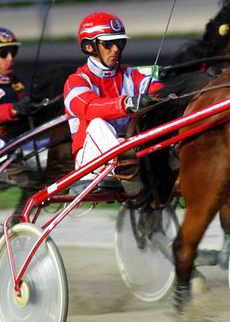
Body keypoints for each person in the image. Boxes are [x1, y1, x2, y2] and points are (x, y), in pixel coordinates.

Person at [63, 11, 161, 193]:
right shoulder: (76, 81)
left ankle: (135, 165)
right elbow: (90, 108)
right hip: (90, 163)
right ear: (89, 47)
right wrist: (127, 103)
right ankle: (126, 168)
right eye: (108, 44)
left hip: (131, 149)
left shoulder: (132, 75)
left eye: (120, 42)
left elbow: (159, 90)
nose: (116, 49)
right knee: (98, 123)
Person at [0, 27, 35, 184]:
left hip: (15, 140)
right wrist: (13, 109)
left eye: (12, 52)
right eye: (2, 54)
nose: (10, 59)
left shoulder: (17, 82)